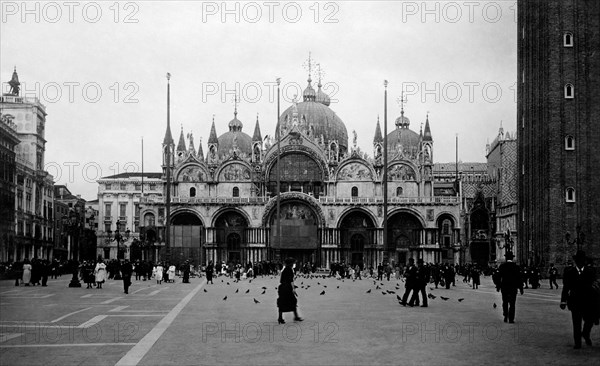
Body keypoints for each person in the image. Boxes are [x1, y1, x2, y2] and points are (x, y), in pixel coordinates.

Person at [560, 250, 599, 349]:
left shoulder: (590, 271)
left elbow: (595, 285)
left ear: (584, 261)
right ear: (576, 261)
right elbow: (566, 287)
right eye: (578, 261)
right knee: (576, 323)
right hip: (575, 301)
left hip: (588, 301)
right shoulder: (570, 272)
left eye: (582, 261)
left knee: (589, 320)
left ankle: (586, 333)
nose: (580, 263)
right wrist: (563, 301)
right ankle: (577, 343)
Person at [494, 251, 524, 323]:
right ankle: (511, 319)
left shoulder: (502, 266)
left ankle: (505, 315)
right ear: (512, 258)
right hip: (513, 287)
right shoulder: (516, 267)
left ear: (506, 258)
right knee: (512, 303)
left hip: (504, 287)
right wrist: (521, 288)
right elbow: (519, 278)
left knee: (505, 302)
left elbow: (498, 277)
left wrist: (498, 286)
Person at [277, 258, 303, 324]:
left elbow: (282, 280)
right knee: (292, 301)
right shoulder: (289, 270)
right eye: (294, 263)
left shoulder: (285, 270)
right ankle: (296, 316)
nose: (295, 264)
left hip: (282, 287)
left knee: (282, 302)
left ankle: (280, 318)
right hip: (287, 288)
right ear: (291, 264)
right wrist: (293, 289)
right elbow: (291, 281)